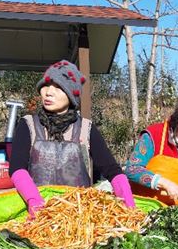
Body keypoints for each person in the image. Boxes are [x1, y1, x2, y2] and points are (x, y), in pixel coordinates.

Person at [9, 60, 135, 216]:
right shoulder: (28, 125)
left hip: (78, 214)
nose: (48, 92)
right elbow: (17, 168)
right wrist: (34, 201)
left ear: (71, 96)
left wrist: (130, 208)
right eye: (46, 85)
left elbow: (112, 170)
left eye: (58, 88)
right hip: (37, 211)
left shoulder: (86, 129)